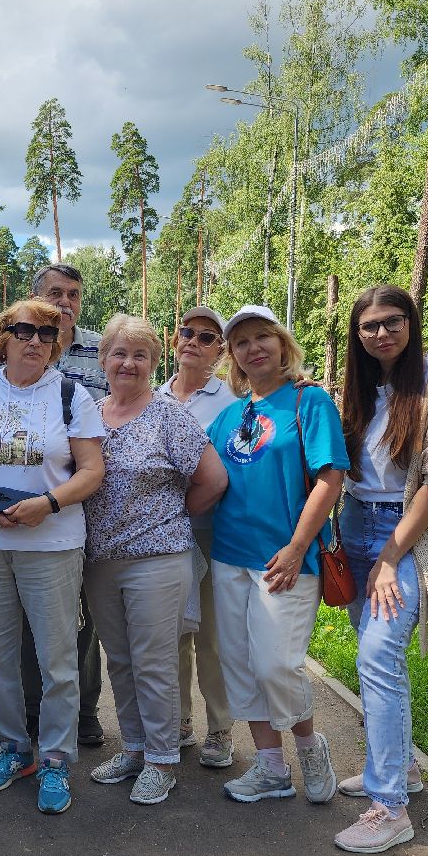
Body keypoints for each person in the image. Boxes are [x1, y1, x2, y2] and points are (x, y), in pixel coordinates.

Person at [0, 298, 106, 814]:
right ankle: (13, 748)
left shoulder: (72, 395)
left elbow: (91, 470)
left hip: (52, 545)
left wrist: (49, 503)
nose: (35, 341)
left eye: (47, 334)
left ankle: (55, 759)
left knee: (57, 658)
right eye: (24, 331)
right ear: (3, 338)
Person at [332, 284, 428, 853]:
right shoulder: (361, 386)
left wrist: (392, 556)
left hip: (414, 536)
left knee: (376, 656)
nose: (381, 334)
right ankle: (402, 772)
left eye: (392, 322)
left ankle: (389, 806)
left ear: (412, 322)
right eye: (369, 326)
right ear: (358, 335)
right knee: (378, 654)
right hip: (356, 524)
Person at [208, 304, 348, 807]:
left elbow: (330, 478)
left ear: (282, 343)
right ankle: (270, 769)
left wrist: (295, 547)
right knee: (241, 666)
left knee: (275, 665)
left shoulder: (310, 402)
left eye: (262, 337)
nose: (253, 348)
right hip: (228, 555)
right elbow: (207, 480)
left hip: (285, 560)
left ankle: (310, 748)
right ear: (234, 357)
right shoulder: (228, 416)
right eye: (242, 343)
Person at [84, 315, 228, 805]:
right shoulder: (89, 415)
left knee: (155, 661)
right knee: (119, 660)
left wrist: (170, 518)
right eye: (119, 353)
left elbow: (213, 479)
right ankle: (135, 746)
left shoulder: (170, 415)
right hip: (100, 560)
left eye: (140, 355)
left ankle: (163, 759)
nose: (128, 363)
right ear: (103, 360)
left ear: (153, 362)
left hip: (157, 558)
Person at [0, 263, 108, 746]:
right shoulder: (10, 350)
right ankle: (33, 709)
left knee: (80, 616)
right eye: (55, 293)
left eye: (73, 294)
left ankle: (86, 710)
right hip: (22, 505)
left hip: (87, 500)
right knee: (32, 618)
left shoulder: (99, 349)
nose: (65, 302)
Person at [159, 305, 238, 770]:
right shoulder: (155, 396)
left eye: (207, 337)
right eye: (187, 332)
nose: (194, 341)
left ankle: (221, 727)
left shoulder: (229, 401)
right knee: (170, 636)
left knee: (209, 635)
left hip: (209, 533)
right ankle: (179, 721)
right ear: (174, 340)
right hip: (164, 539)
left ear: (220, 351)